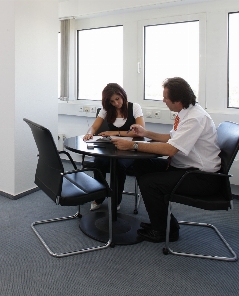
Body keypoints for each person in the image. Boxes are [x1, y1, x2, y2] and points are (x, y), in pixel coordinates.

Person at [111, 77, 222, 243]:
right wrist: (145, 133)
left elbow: (170, 149)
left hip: (201, 177)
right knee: (142, 164)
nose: (163, 101)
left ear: (178, 101)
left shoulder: (195, 118)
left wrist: (132, 146)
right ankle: (161, 222)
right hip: (184, 166)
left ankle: (166, 231)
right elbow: (171, 138)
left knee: (150, 182)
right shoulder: (186, 113)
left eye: (166, 98)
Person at [83, 83, 145, 211]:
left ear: (122, 95)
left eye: (118, 99)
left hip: (130, 148)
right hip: (111, 147)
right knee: (98, 162)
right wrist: (89, 133)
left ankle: (116, 200)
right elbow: (94, 126)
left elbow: (141, 131)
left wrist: (115, 133)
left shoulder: (134, 108)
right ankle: (99, 197)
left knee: (119, 165)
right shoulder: (106, 109)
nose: (116, 103)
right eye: (112, 101)